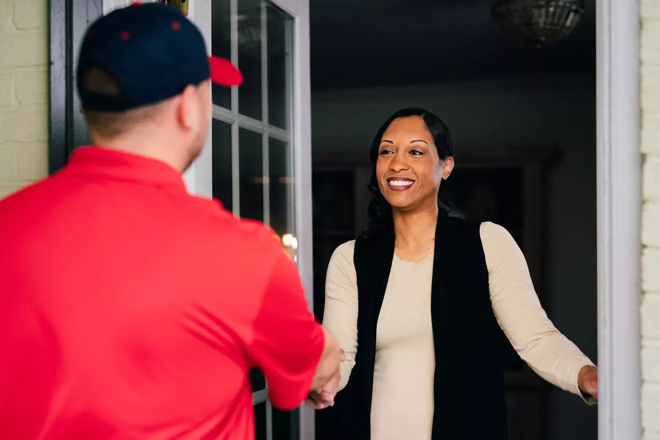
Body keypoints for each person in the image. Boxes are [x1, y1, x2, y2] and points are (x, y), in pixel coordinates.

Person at [0, 4, 340, 439]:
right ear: (187, 108)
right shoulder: (242, 254)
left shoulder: (7, 225)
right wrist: (329, 357)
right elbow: (315, 367)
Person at [310, 108, 598, 440]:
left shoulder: (487, 242)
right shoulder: (350, 259)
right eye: (386, 151)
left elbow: (534, 338)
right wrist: (320, 382)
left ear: (446, 166)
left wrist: (586, 375)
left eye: (415, 151)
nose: (397, 163)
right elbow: (342, 356)